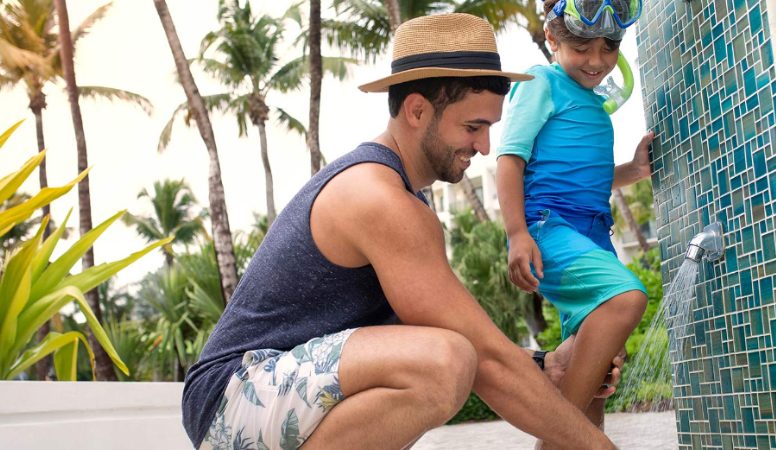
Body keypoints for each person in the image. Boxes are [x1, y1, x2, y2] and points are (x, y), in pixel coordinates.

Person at [182, 13, 625, 450]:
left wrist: (544, 364)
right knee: (442, 362)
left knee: (446, 354)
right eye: (473, 127)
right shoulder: (379, 197)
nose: (485, 147)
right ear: (417, 110)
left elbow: (473, 341)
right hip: (234, 395)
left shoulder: (407, 195)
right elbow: (482, 358)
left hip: (279, 394)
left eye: (489, 128)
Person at [495, 0, 656, 439]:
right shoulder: (540, 81)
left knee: (596, 382)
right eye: (582, 46)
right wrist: (517, 234)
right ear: (552, 39)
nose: (597, 61)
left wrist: (635, 171)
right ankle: (560, 435)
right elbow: (509, 158)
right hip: (548, 228)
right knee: (626, 297)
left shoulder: (591, 104)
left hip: (592, 235)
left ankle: (571, 435)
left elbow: (588, 181)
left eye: (608, 48)